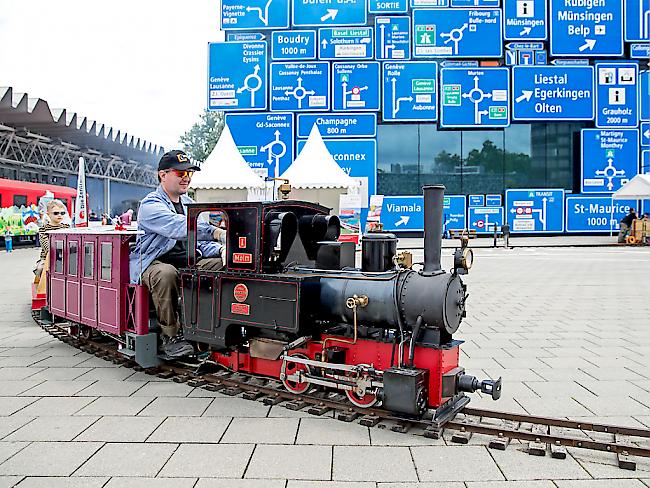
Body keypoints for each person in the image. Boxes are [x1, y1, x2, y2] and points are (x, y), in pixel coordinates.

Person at [129, 150, 226, 358]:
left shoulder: (189, 204)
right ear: (162, 175)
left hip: (187, 261)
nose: (187, 178)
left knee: (222, 266)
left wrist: (222, 249)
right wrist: (215, 232)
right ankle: (171, 335)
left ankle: (210, 327)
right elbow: (179, 226)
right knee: (166, 273)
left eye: (189, 173)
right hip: (153, 263)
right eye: (180, 173)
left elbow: (200, 242)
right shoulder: (150, 205)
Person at [35, 200, 70, 276]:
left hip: (65, 256)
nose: (59, 215)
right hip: (48, 257)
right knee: (40, 268)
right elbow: (46, 246)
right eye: (56, 213)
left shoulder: (66, 227)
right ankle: (43, 285)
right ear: (48, 214)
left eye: (62, 213)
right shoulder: (43, 229)